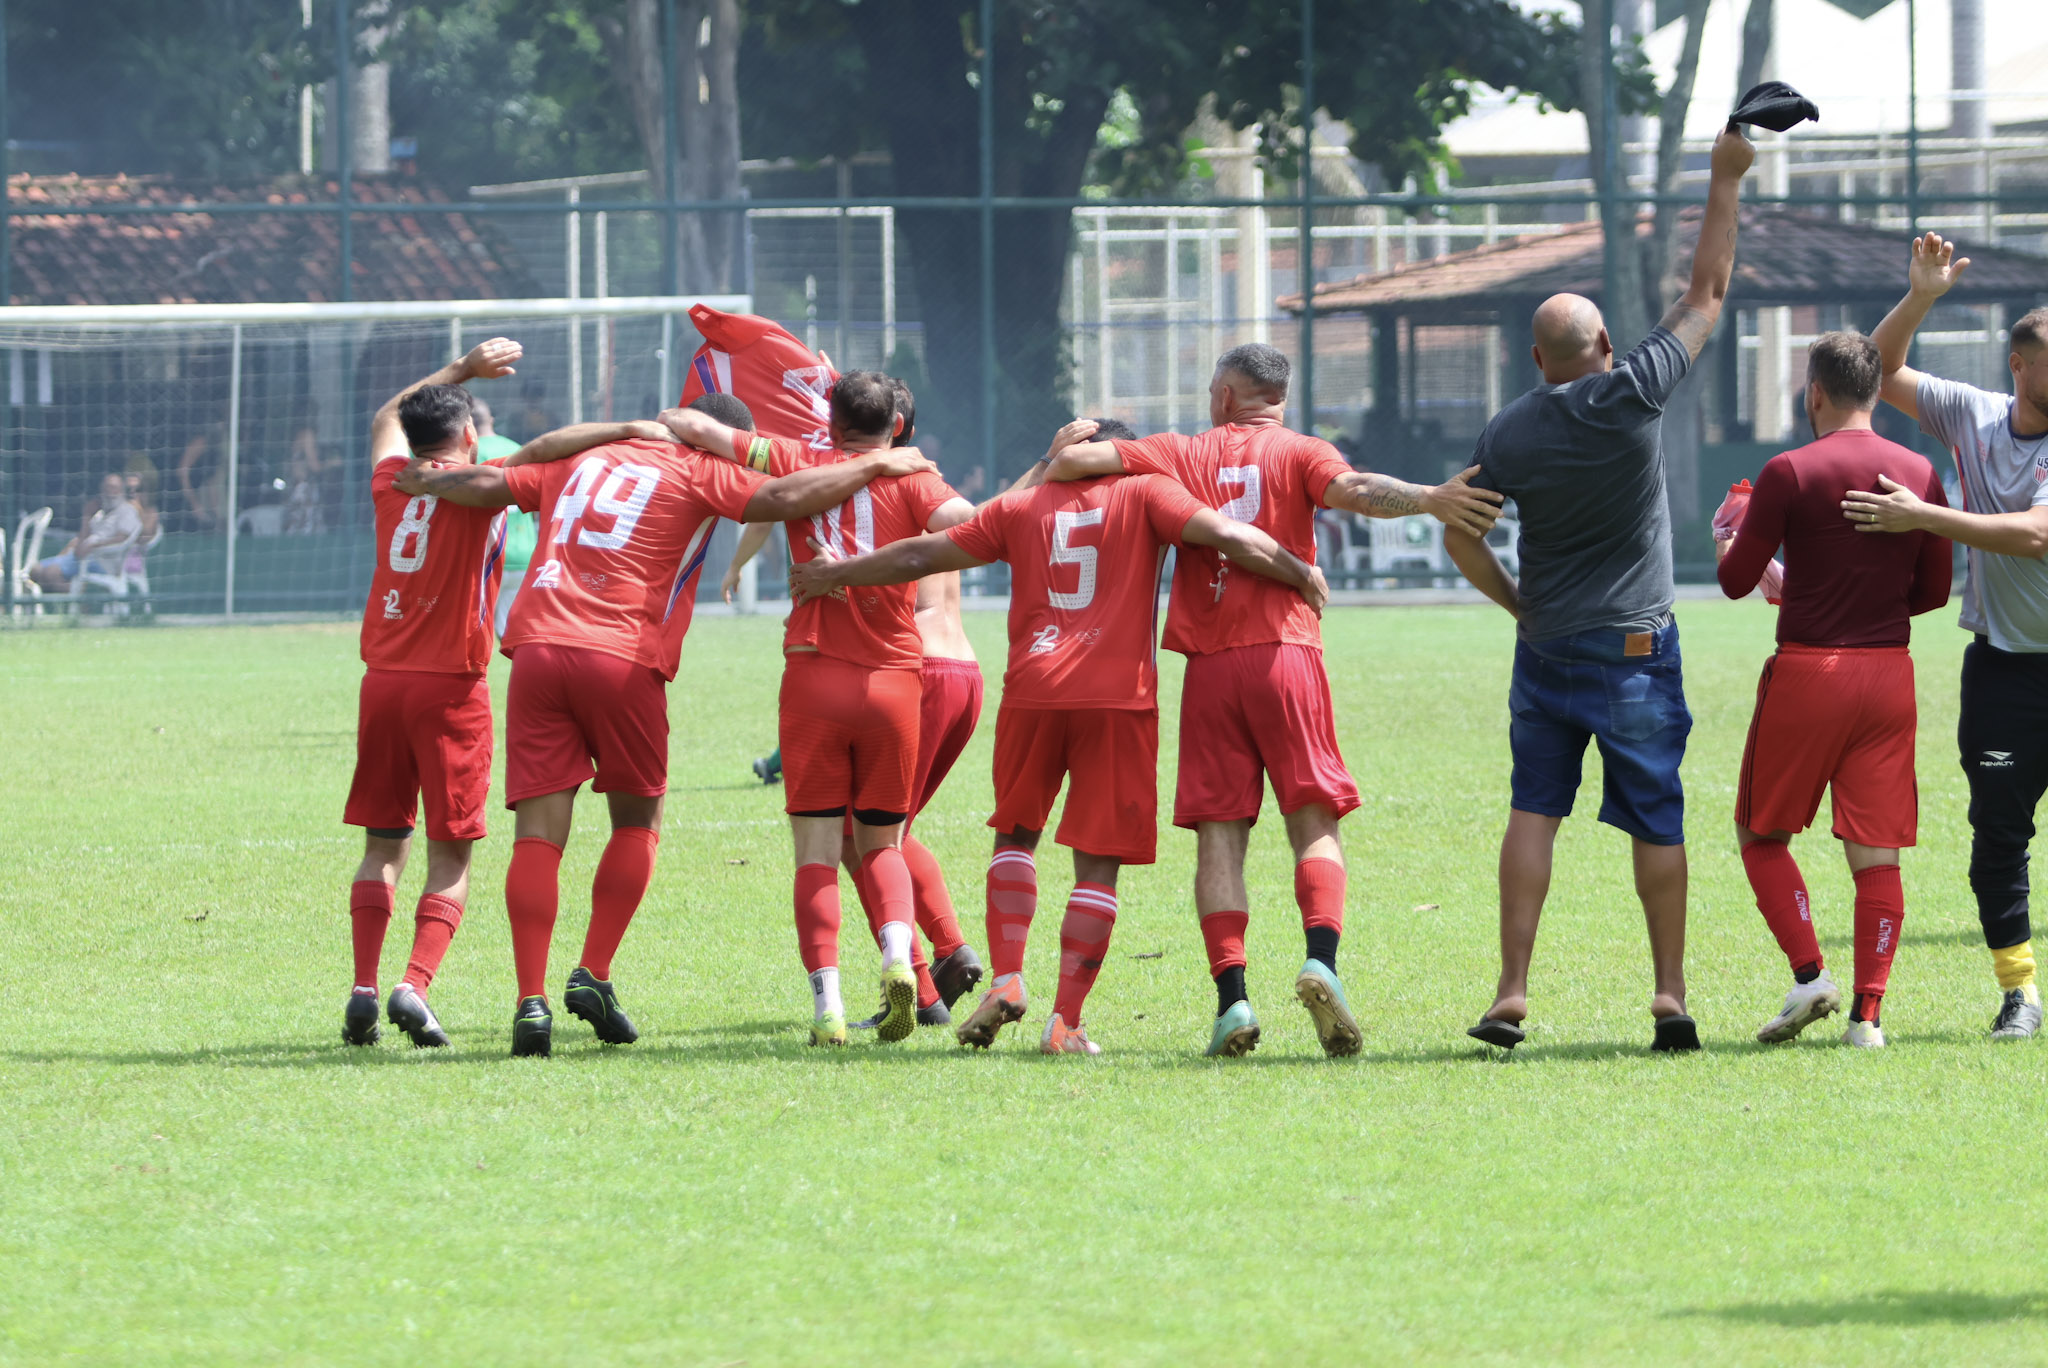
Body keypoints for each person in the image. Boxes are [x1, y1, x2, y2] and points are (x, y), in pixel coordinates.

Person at [399, 393, 936, 1055]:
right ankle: (593, 972)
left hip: (535, 645)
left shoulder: (586, 455)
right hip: (621, 653)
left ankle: (530, 1003)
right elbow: (786, 498)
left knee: (537, 834)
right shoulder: (699, 468)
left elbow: (492, 483)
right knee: (637, 820)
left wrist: (428, 479)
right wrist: (876, 464)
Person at [791, 436, 1327, 1055]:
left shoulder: (1022, 505)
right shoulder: (1149, 492)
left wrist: (837, 572)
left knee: (1015, 837)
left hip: (1033, 691)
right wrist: (1301, 572)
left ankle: (1007, 978)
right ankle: (1064, 1022)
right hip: (1118, 701)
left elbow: (920, 554)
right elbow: (1232, 536)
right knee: (1097, 864)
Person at [1039, 348, 1503, 1057]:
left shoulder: (1178, 450)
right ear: (1278, 397)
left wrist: (1065, 443)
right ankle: (1321, 961)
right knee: (1313, 817)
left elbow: (1073, 466)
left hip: (1210, 666)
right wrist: (1429, 497)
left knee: (1220, 834)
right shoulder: (1302, 450)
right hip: (1287, 653)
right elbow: (1356, 490)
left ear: (1226, 395)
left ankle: (1233, 1000)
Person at [1439, 126, 1756, 1053]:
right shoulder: (1635, 391)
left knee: (1533, 811)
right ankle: (1669, 994)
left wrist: (1516, 604)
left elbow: (1460, 530)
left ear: (1538, 360)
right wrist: (1724, 176)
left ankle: (1511, 990)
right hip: (1635, 651)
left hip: (1546, 649)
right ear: (1606, 346)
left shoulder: (1508, 431)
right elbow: (1706, 293)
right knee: (1656, 816)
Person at [342, 338, 670, 1048]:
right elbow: (549, 448)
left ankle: (363, 986)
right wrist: (627, 427)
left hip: (381, 683)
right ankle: (413, 985)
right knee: (451, 854)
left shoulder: (393, 479)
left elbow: (384, 415)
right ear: (469, 434)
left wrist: (461, 369)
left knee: (383, 844)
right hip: (451, 689)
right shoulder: (479, 480)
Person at [661, 373, 972, 1047]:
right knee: (882, 841)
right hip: (893, 682)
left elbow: (694, 425)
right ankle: (899, 956)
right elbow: (974, 526)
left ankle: (828, 1006)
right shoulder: (916, 479)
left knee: (816, 853)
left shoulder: (795, 457)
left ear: (830, 424)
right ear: (895, 425)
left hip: (813, 677)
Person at [1717, 331, 1952, 1049]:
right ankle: (1867, 1018)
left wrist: (1729, 542)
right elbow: (1934, 591)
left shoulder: (1788, 470)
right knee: (1877, 852)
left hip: (1810, 672)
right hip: (1888, 676)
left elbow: (1736, 581)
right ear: (1876, 393)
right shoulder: (1918, 469)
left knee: (1761, 834)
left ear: (1813, 392)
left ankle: (1810, 974)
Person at [1843, 230, 2048, 1040]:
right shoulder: (1976, 415)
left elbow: (2036, 534)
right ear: (2019, 367)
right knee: (1998, 835)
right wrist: (1920, 298)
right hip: (2004, 671)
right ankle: (2020, 994)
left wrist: (1924, 516)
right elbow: (1879, 371)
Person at [471, 397, 533, 637]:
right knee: (509, 635)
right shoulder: (518, 449)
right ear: (491, 419)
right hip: (524, 554)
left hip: (486, 556)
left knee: (473, 631)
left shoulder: (471, 453)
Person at [32, 472, 143, 593]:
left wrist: (93, 545)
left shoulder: (127, 511)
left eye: (113, 487)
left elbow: (122, 538)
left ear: (122, 491)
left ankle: (79, 596)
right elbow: (82, 540)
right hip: (81, 556)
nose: (109, 492)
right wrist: (87, 516)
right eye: (106, 488)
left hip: (103, 561)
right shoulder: (99, 514)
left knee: (50, 573)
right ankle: (70, 593)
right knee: (35, 571)